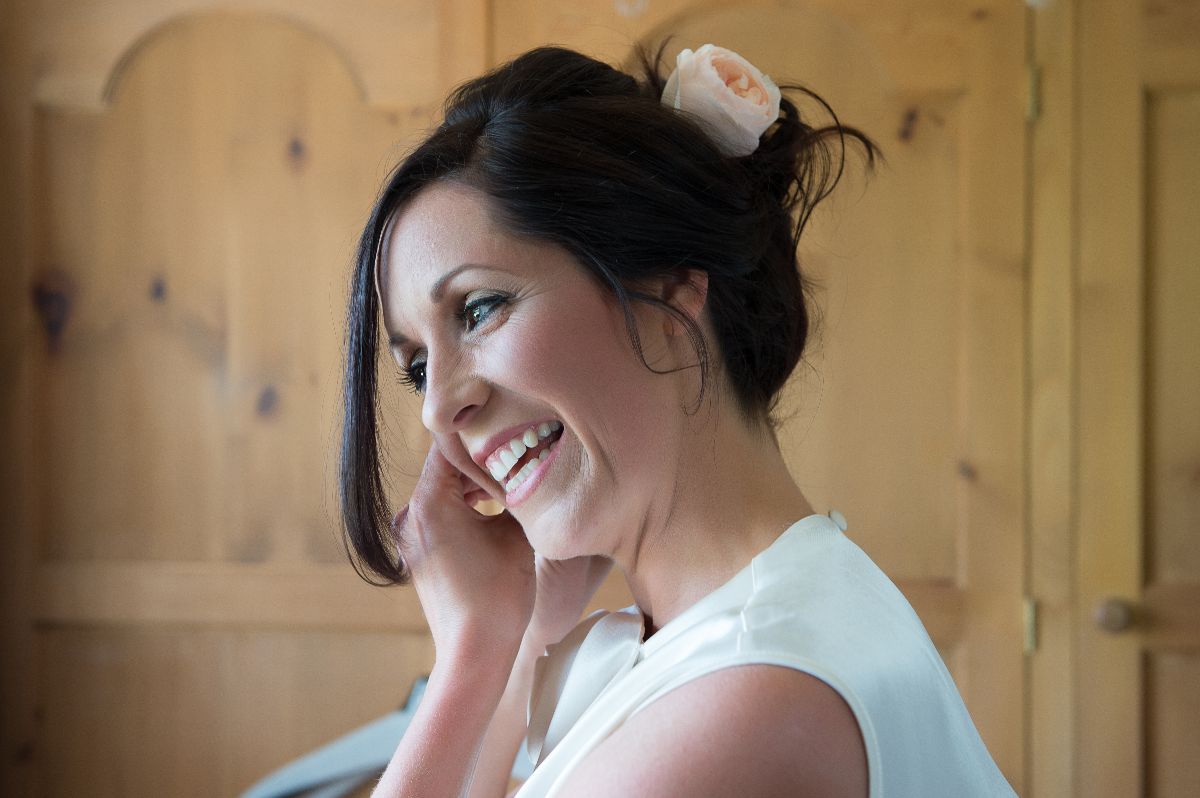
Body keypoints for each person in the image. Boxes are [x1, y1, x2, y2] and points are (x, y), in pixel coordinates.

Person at [339, 42, 1016, 798]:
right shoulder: (791, 609)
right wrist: (519, 638)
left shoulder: (744, 706)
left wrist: (468, 659)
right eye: (417, 366)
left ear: (668, 286)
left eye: (480, 308)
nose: (437, 408)